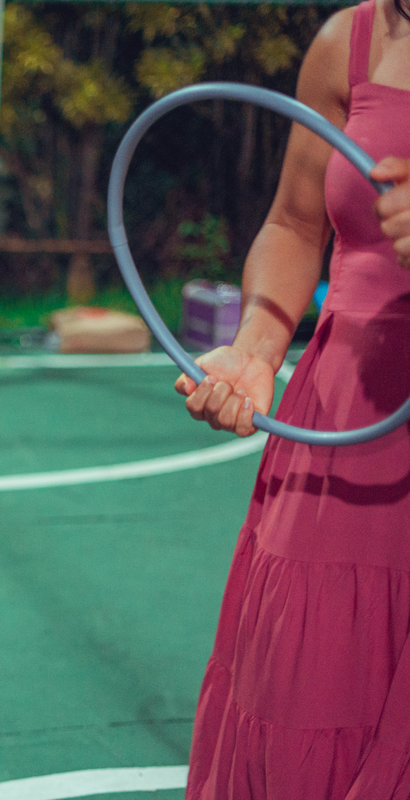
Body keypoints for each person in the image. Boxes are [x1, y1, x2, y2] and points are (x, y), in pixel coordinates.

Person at [174, 1, 410, 797]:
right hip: (349, 426)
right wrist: (256, 348)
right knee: (311, 697)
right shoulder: (354, 38)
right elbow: (296, 222)